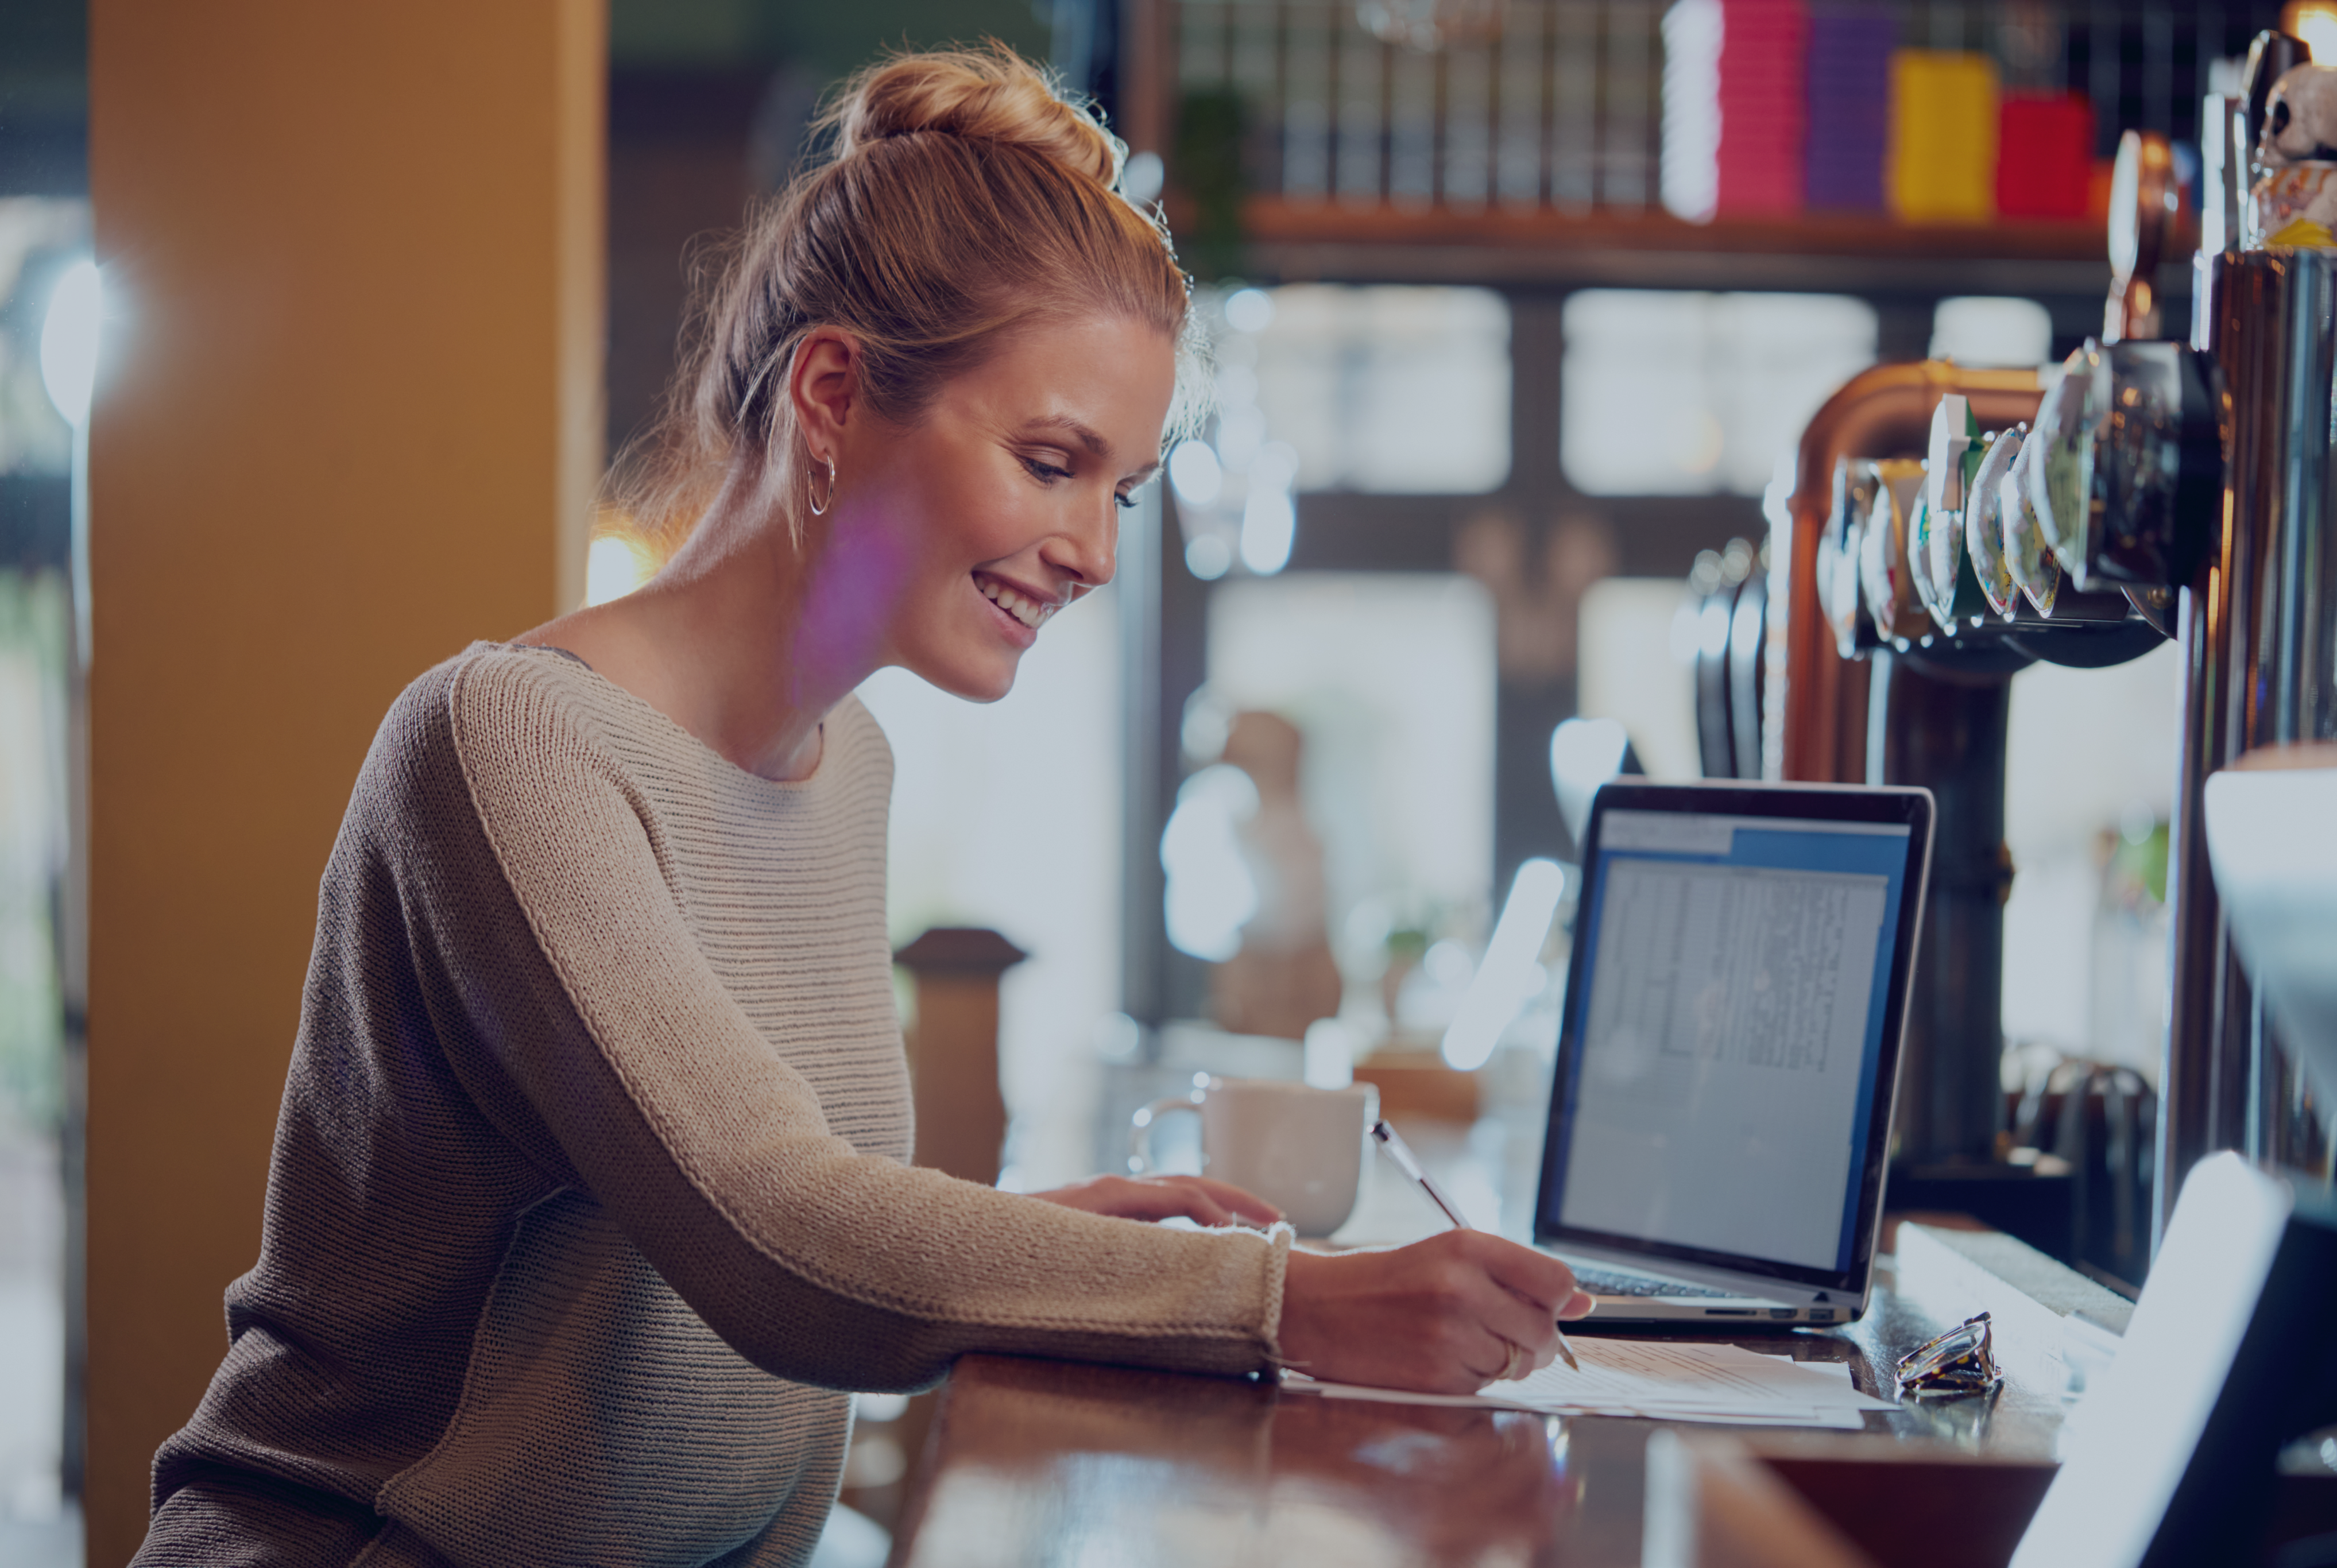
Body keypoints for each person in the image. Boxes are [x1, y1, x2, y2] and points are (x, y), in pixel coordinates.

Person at [135, 45, 1591, 1568]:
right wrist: (1299, 1302)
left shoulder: (849, 763)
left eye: (1123, 490)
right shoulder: (513, 745)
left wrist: (1051, 1245)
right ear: (834, 392)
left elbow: (766, 1215)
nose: (1092, 549)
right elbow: (777, 1236)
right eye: (1050, 461)